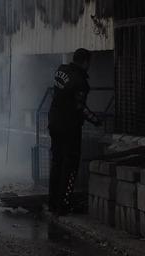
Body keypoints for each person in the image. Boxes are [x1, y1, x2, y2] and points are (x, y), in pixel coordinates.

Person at [48, 48, 102, 215]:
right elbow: (79, 107)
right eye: (89, 63)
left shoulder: (61, 70)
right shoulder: (80, 82)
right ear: (85, 62)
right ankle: (64, 204)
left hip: (54, 123)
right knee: (70, 167)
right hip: (69, 127)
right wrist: (95, 120)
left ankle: (52, 202)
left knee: (56, 164)